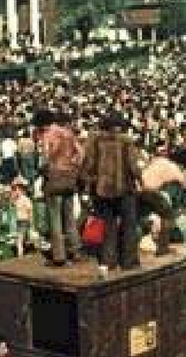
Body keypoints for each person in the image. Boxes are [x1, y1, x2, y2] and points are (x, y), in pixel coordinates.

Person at [80, 113, 143, 270]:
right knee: (129, 225)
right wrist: (140, 179)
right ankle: (129, 261)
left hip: (101, 189)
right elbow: (133, 166)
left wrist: (90, 183)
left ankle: (109, 260)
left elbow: (87, 165)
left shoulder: (94, 141)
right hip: (125, 188)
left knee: (107, 225)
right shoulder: (126, 141)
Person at [35, 110, 83, 267]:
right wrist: (73, 167)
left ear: (42, 124)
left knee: (55, 218)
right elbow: (80, 153)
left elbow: (46, 156)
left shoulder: (47, 135)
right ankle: (75, 250)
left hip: (54, 178)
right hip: (69, 177)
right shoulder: (67, 133)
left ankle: (59, 256)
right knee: (69, 216)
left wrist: (45, 169)